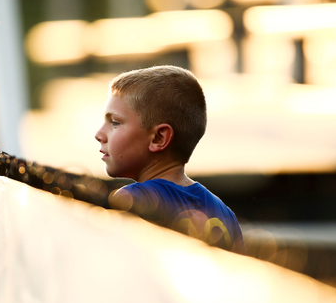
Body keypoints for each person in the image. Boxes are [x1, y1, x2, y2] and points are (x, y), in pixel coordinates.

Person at [95, 65, 246, 254]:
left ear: (159, 138)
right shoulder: (225, 213)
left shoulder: (132, 200)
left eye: (115, 123)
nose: (99, 134)